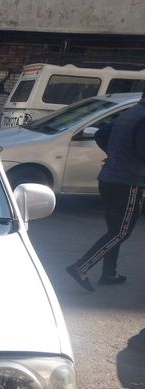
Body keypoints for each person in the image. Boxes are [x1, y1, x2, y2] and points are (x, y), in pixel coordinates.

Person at [65, 92, 145, 291]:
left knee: (114, 230)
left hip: (108, 178)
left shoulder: (132, 112)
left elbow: (101, 134)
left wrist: (115, 155)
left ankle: (109, 273)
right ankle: (81, 267)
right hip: (128, 181)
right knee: (121, 232)